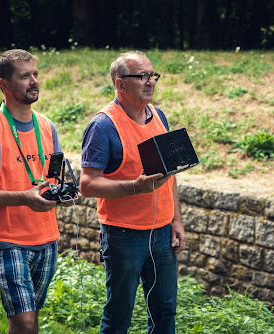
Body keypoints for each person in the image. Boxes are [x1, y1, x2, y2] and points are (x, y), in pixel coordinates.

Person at [80, 50, 187, 334]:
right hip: (123, 236)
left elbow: (169, 176)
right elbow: (87, 184)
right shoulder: (102, 126)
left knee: (164, 313)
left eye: (152, 75)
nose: (150, 81)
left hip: (163, 233)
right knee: (119, 317)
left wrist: (176, 221)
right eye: (142, 76)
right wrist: (133, 187)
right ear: (120, 84)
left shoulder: (159, 115)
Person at [0, 49, 69, 334]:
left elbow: (52, 178)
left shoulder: (47, 126)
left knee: (31, 319)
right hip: (6, 239)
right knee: (23, 321)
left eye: (35, 74)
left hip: (46, 236)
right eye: (25, 76)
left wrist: (61, 193)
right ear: (4, 84)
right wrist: (22, 197)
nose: (34, 81)